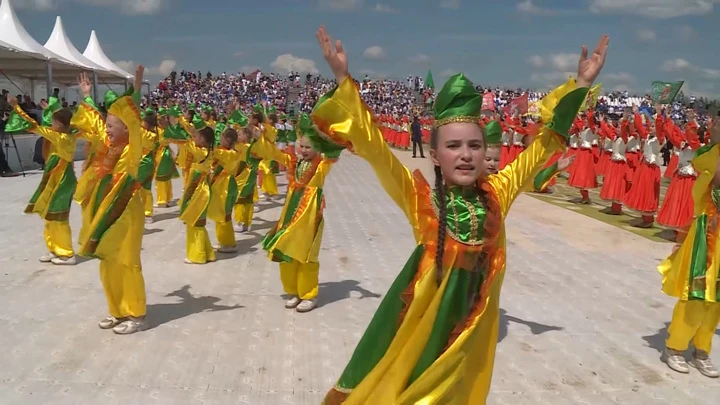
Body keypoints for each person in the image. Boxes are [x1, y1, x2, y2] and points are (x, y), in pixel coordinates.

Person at [312, 26, 607, 404]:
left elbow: (545, 144)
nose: (465, 154)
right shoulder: (420, 199)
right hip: (423, 327)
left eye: (474, 145)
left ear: (486, 153)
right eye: (453, 146)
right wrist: (342, 78)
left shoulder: (499, 192)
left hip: (472, 328)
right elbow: (375, 149)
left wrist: (580, 84)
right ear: (435, 155)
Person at [78, 66, 149, 334]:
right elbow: (95, 124)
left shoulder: (132, 150)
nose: (106, 130)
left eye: (111, 125)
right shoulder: (110, 148)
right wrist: (86, 97)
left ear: (125, 127)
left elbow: (133, 119)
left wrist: (137, 88)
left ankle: (137, 314)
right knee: (107, 260)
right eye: (107, 125)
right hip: (107, 211)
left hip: (128, 211)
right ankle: (117, 311)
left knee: (128, 261)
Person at [259, 111, 344, 313]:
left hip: (309, 217)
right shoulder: (294, 162)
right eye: (302, 146)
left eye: (309, 147)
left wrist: (329, 138)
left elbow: (332, 155)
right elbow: (275, 154)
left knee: (306, 255)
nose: (304, 150)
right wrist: (258, 139)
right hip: (290, 215)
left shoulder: (320, 166)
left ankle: (309, 294)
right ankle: (293, 291)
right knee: (286, 250)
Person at [658, 131, 720, 379]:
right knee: (696, 292)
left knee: (716, 298)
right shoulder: (710, 155)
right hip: (708, 232)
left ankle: (701, 352)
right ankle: (675, 347)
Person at [5, 94, 77, 265]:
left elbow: (34, 126)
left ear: (59, 125)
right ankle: (54, 248)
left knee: (58, 217)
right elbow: (58, 122)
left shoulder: (61, 138)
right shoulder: (69, 132)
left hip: (62, 180)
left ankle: (67, 253)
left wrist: (16, 107)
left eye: (53, 122)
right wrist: (51, 110)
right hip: (55, 178)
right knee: (49, 215)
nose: (51, 125)